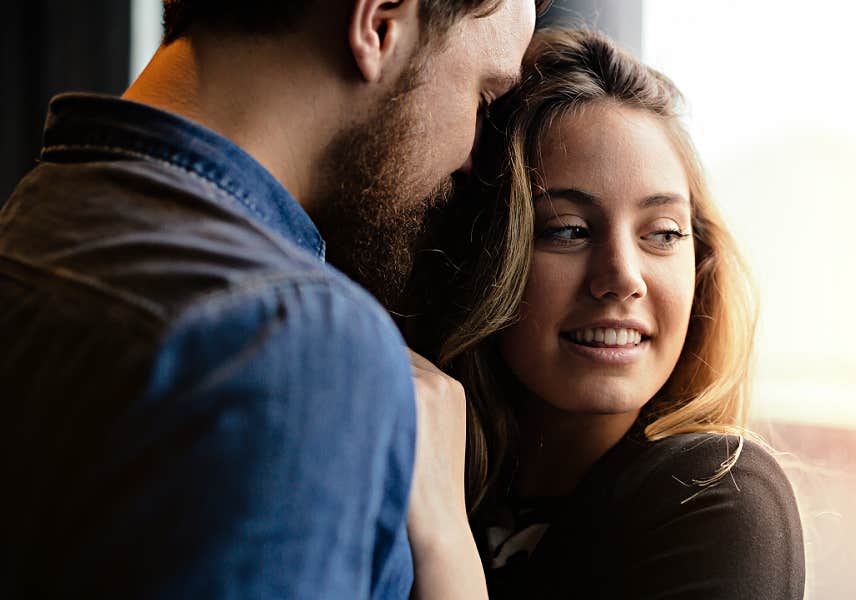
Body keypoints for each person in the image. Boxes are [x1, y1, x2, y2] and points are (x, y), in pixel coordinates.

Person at [0, 1, 539, 597]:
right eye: (484, 98)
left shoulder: (34, 221)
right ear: (380, 22)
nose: (471, 156)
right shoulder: (293, 340)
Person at [404, 27, 806, 599]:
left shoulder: (718, 495)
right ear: (483, 254)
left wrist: (443, 541)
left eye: (663, 234)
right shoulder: (426, 458)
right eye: (567, 230)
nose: (622, 277)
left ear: (700, 263)